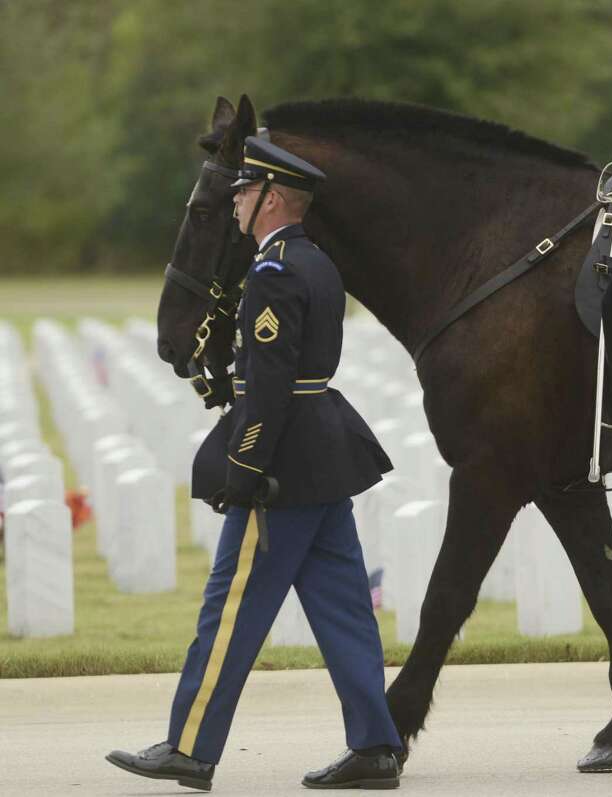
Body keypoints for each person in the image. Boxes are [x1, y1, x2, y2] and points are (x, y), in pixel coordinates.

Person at [107, 137, 405, 791]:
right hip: (323, 454)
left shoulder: (273, 272)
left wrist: (243, 466)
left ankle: (190, 747)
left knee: (229, 610)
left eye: (243, 191)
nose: (236, 201)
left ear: (271, 198)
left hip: (281, 466)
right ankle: (377, 747)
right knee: (345, 609)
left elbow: (269, 386)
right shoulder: (317, 263)